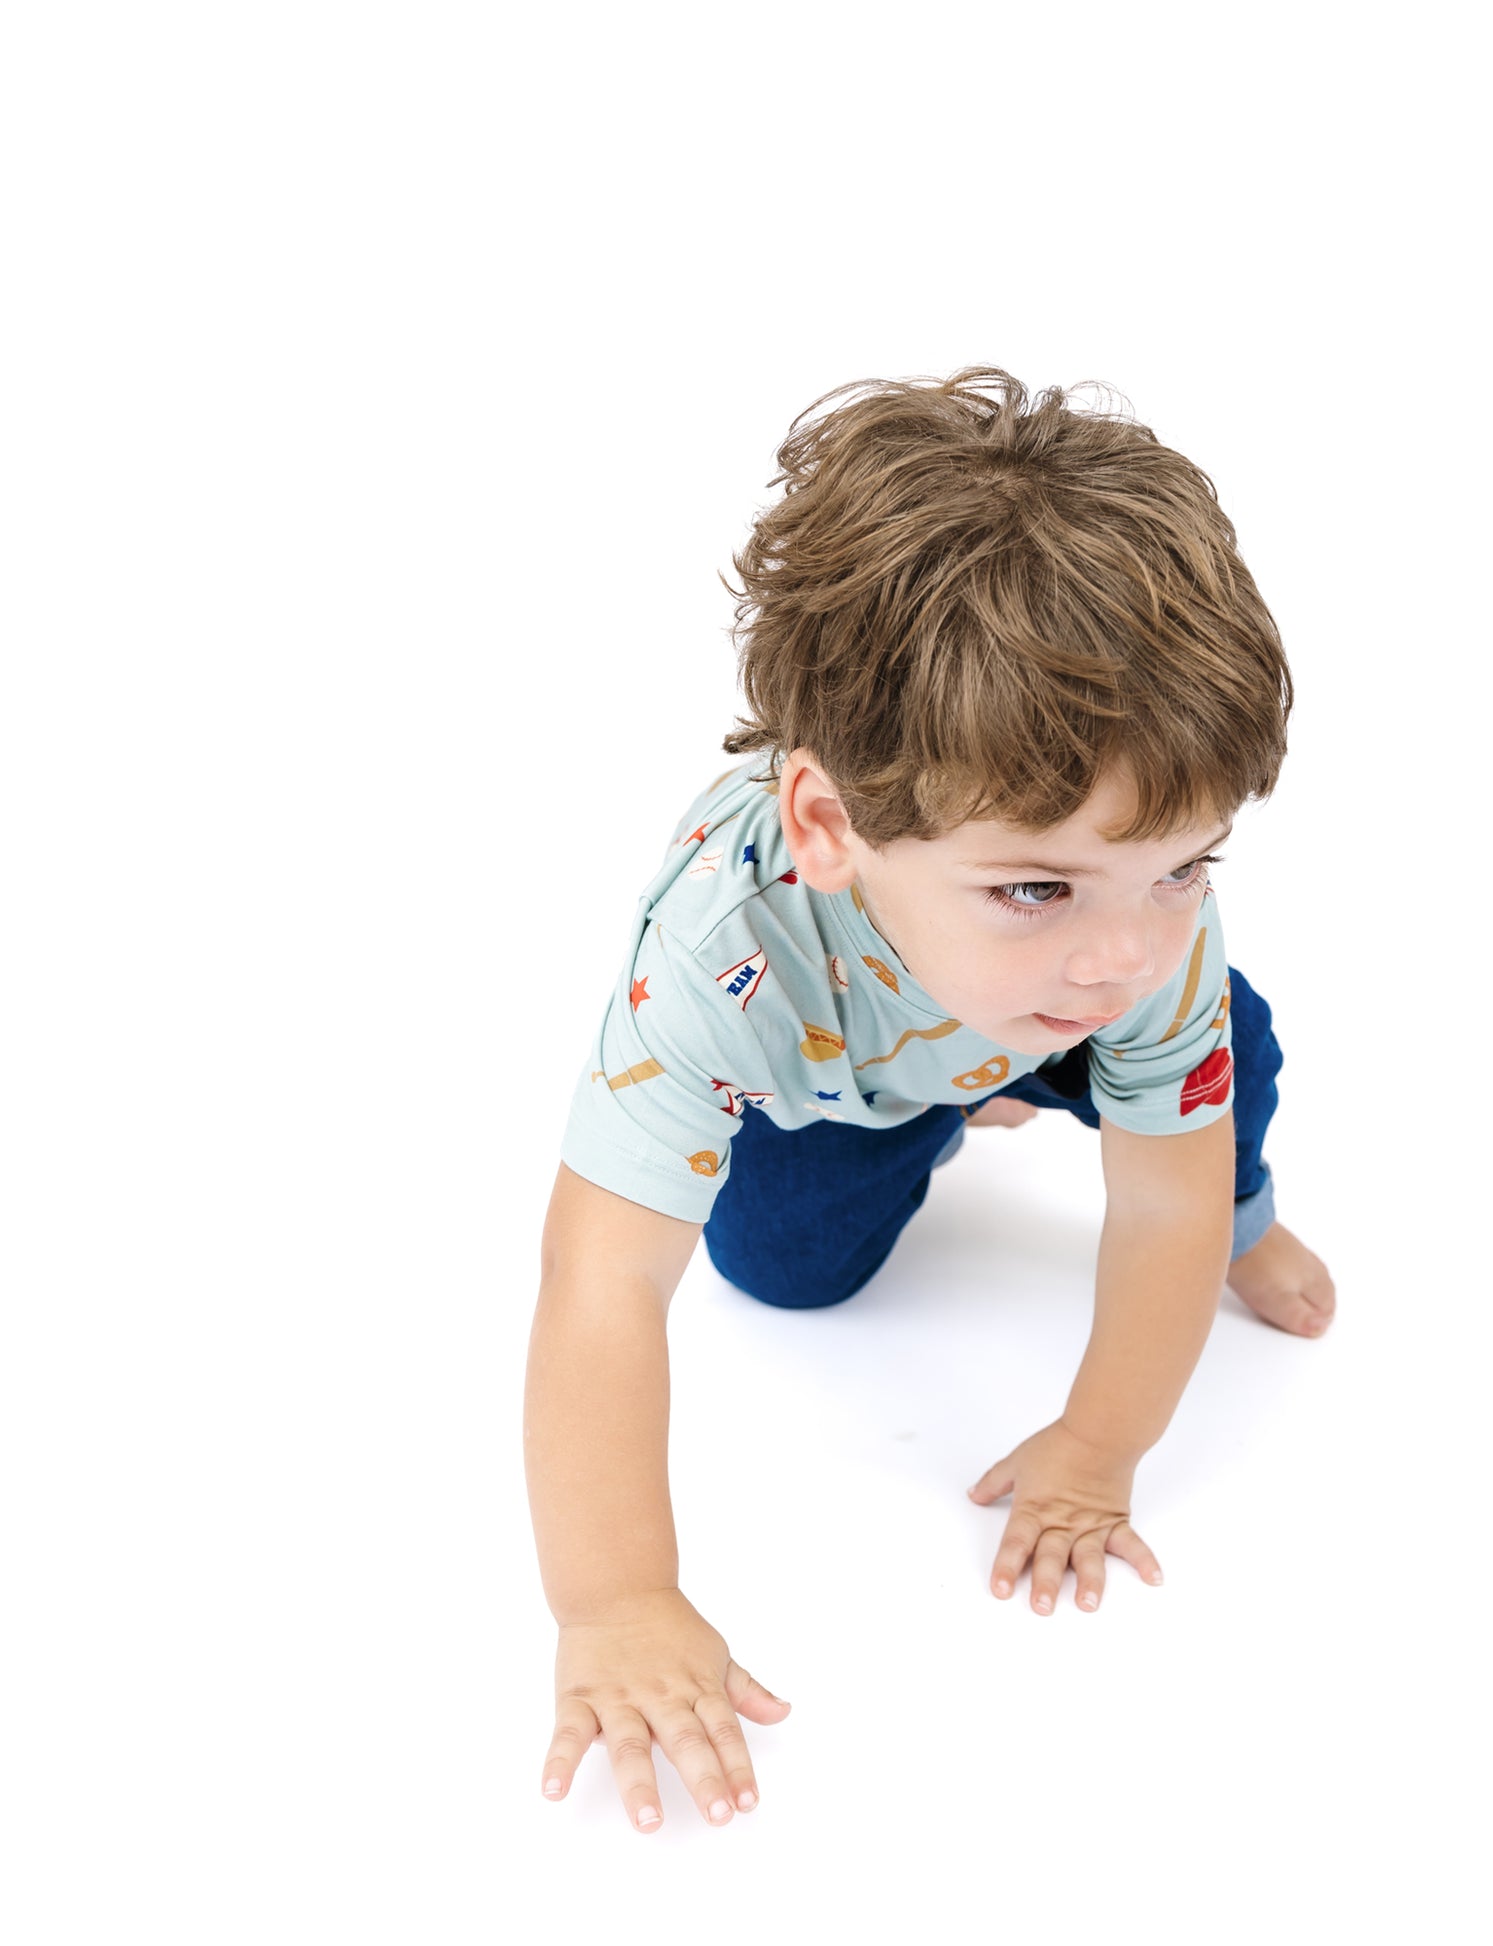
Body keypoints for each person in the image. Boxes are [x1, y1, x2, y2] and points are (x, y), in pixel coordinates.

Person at [523, 366, 1338, 1837]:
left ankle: (1241, 1196)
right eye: (1035, 885)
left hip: (1016, 1032)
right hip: (842, 1063)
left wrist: (1098, 1448)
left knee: (1218, 1080)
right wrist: (618, 1594)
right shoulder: (719, 954)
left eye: (1185, 865)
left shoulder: (1127, 937)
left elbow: (1154, 1197)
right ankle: (951, 1102)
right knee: (781, 1270)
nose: (1123, 947)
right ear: (831, 827)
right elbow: (598, 1278)